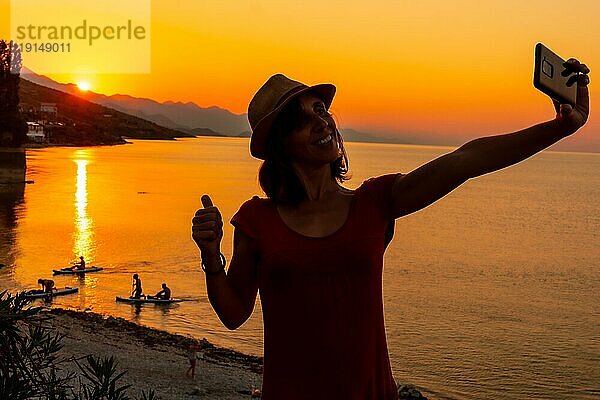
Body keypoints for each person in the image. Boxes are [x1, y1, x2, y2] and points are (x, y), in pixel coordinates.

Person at [191, 65, 590, 400]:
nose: (322, 121)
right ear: (281, 145)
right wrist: (211, 255)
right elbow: (233, 313)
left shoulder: (374, 202)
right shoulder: (257, 220)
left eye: (321, 109)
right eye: (302, 119)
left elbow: (466, 159)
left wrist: (558, 128)